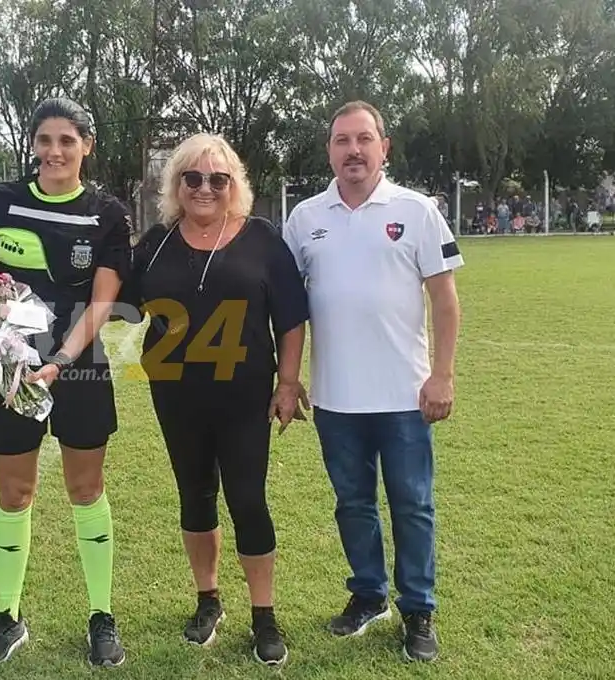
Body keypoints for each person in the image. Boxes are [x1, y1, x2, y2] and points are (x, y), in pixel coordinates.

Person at [282, 100, 463, 663]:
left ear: (384, 147)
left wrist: (442, 375)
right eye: (342, 141)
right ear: (330, 150)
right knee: (353, 503)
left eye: (364, 139)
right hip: (336, 399)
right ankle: (368, 596)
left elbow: (445, 300)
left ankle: (419, 608)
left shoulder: (417, 210)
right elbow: (287, 308)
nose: (353, 150)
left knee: (412, 504)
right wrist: (288, 378)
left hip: (405, 397)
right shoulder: (305, 218)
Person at [119, 133, 308, 666]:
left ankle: (263, 614)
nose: (205, 188)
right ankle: (208, 600)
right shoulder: (155, 242)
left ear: (235, 185)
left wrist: (288, 384)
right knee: (195, 497)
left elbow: (290, 318)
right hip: (175, 396)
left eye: (218, 179)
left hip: (245, 398)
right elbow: (116, 298)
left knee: (248, 499)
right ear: (176, 184)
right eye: (193, 178)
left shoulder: (262, 239)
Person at [0, 97, 131, 667]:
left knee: (86, 490)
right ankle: (7, 616)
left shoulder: (107, 213)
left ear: (87, 145)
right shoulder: (0, 203)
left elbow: (103, 300)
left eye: (68, 140)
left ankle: (101, 615)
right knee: (15, 493)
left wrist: (60, 357)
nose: (55, 151)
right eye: (45, 140)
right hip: (8, 366)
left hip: (79, 367)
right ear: (32, 144)